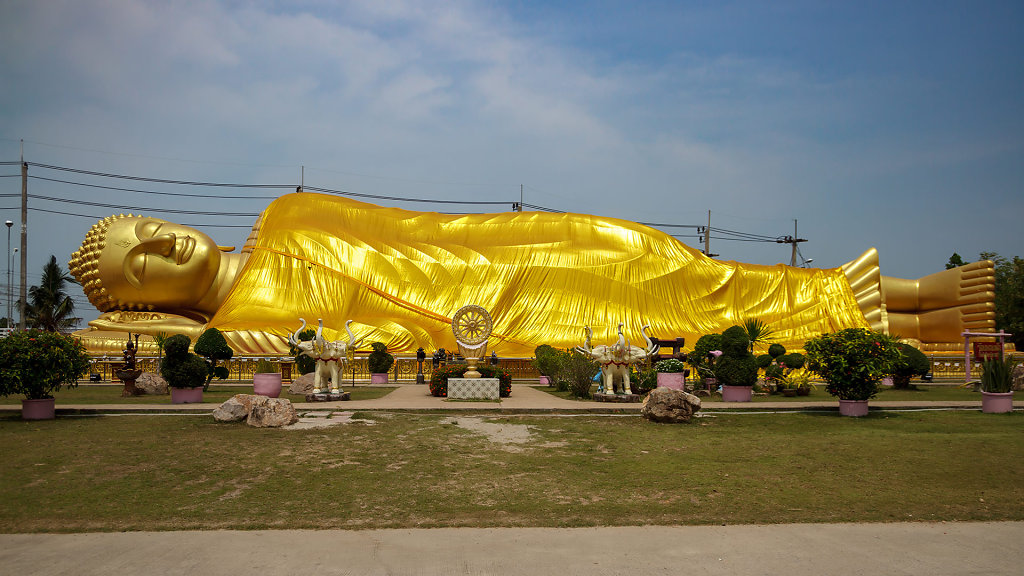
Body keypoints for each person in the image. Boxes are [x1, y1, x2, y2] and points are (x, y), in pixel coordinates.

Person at [68, 193, 995, 356]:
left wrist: (537, 230)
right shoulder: (246, 326)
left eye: (148, 229)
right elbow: (380, 333)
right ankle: (919, 321)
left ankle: (911, 295)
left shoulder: (284, 215)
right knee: (682, 309)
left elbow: (416, 227)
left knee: (663, 257)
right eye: (142, 263)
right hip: (486, 311)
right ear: (147, 298)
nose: (164, 245)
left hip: (504, 249)